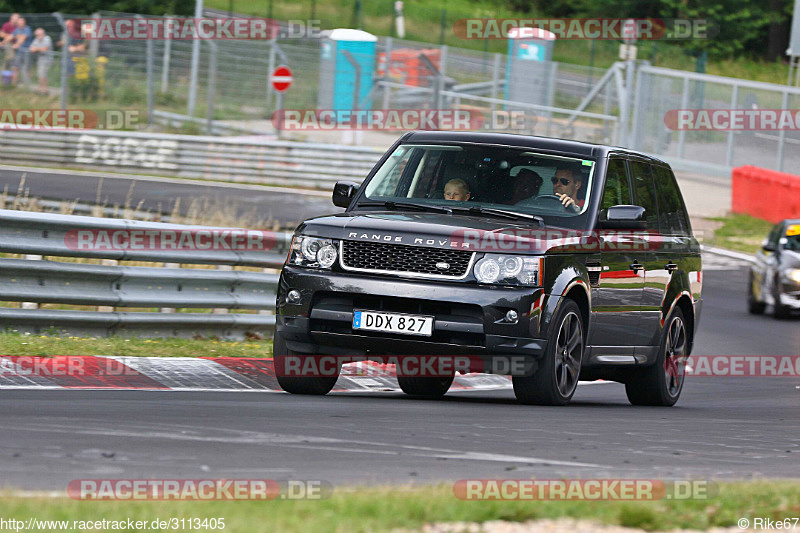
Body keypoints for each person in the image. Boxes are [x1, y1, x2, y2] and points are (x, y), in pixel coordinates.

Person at [29, 28, 53, 94]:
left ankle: (42, 89)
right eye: (36, 35)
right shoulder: (36, 39)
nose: (37, 36)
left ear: (43, 34)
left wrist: (36, 49)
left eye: (39, 35)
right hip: (40, 59)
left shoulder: (47, 39)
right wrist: (39, 49)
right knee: (41, 75)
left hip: (47, 59)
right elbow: (31, 48)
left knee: (42, 75)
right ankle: (43, 90)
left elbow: (45, 49)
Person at [11, 16, 32, 87]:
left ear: (24, 22)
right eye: (19, 22)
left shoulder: (27, 29)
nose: (20, 23)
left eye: (22, 22)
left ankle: (28, 86)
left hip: (26, 53)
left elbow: (23, 38)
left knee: (26, 69)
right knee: (15, 67)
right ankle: (14, 85)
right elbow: (11, 36)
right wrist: (2, 43)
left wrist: (17, 44)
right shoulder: (17, 30)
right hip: (19, 53)